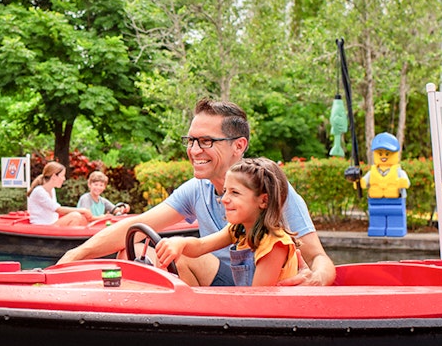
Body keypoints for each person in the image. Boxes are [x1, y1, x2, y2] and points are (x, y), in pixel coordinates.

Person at [57, 98, 335, 287]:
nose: (193, 150)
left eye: (205, 141)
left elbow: (319, 258)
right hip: (225, 289)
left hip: (266, 295)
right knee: (132, 253)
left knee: (179, 255)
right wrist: (74, 256)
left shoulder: (270, 191)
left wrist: (317, 279)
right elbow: (135, 226)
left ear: (238, 146)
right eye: (190, 141)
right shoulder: (196, 190)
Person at [155, 158, 300, 286]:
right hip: (246, 303)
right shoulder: (238, 230)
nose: (224, 199)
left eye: (235, 193)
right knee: (180, 256)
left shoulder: (274, 244)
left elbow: (258, 301)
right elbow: (201, 246)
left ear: (263, 200)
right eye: (225, 191)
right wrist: (179, 243)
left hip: (265, 311)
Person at [27, 161, 95, 227]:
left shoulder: (52, 190)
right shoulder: (39, 191)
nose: (64, 179)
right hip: (42, 227)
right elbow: (58, 209)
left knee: (82, 218)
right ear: (54, 176)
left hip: (51, 225)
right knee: (75, 216)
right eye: (62, 176)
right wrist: (83, 210)